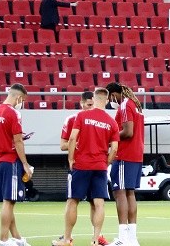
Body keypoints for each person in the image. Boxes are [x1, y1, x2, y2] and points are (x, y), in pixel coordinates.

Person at [54, 86, 119, 246]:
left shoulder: (82, 116)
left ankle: (67, 239)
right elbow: (114, 148)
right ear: (107, 100)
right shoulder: (112, 122)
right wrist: (106, 162)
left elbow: (72, 139)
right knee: (99, 203)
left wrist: (71, 158)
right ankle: (96, 240)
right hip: (100, 167)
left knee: (72, 201)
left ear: (94, 99)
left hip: (81, 165)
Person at [0, 84, 34, 246]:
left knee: (8, 201)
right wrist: (25, 164)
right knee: (9, 201)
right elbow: (18, 141)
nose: (22, 103)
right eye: (23, 100)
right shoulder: (14, 113)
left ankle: (17, 238)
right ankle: (3, 240)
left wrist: (8, 136)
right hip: (10, 161)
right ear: (18, 97)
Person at [108, 83, 144, 246]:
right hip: (136, 154)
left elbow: (128, 131)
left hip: (124, 154)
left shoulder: (124, 105)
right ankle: (132, 238)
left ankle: (123, 238)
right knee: (130, 193)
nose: (110, 101)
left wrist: (110, 138)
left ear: (114, 94)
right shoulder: (135, 104)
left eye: (110, 97)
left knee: (120, 193)